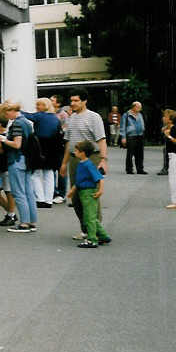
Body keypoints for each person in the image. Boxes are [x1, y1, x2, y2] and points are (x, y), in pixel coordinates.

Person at [59, 89, 108, 240]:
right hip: (74, 159)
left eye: (76, 101)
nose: (72, 103)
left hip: (90, 158)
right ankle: (85, 228)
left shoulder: (94, 117)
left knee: (89, 195)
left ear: (84, 101)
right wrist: (64, 163)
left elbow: (101, 140)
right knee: (76, 196)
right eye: (71, 101)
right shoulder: (71, 117)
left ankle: (96, 230)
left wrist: (103, 160)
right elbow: (69, 143)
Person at [0, 100, 38, 233]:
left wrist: (3, 139)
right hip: (27, 160)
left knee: (18, 193)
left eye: (5, 113)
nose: (5, 116)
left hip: (16, 160)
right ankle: (32, 221)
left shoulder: (17, 124)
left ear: (10, 111)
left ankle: (24, 223)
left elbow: (17, 144)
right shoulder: (26, 122)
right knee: (28, 192)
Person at [67, 140, 111, 249]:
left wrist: (100, 190)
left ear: (83, 153)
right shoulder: (81, 164)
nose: (74, 152)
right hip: (82, 192)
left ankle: (92, 239)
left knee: (89, 217)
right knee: (90, 216)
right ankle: (103, 235)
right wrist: (73, 190)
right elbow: (79, 180)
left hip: (89, 193)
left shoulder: (88, 165)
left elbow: (99, 177)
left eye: (77, 151)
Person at [24, 97, 64, 208]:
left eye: (38, 105)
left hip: (40, 147)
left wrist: (15, 108)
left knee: (36, 174)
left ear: (44, 106)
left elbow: (26, 115)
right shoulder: (55, 118)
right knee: (49, 174)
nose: (36, 107)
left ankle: (40, 199)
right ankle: (48, 200)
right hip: (53, 148)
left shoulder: (40, 116)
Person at [51, 96, 69, 204]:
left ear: (58, 104)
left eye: (52, 100)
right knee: (51, 170)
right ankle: (53, 192)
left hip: (60, 145)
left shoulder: (63, 115)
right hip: (51, 146)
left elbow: (66, 130)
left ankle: (61, 194)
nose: (50, 102)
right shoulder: (49, 113)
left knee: (61, 169)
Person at [120, 101, 147, 174]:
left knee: (140, 154)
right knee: (130, 154)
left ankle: (140, 169)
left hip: (140, 135)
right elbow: (122, 127)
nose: (140, 109)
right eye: (139, 107)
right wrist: (123, 137)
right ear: (134, 107)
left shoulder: (140, 114)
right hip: (131, 136)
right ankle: (129, 169)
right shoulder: (126, 115)